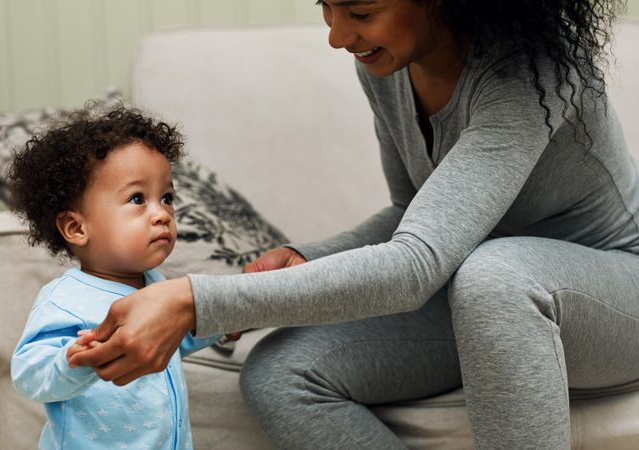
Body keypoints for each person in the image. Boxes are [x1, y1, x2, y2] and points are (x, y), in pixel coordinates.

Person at [70, 0, 639, 448]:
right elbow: (411, 214)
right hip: (480, 289)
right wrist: (310, 254)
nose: (338, 36)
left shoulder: (535, 72)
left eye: (361, 12)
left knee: (494, 275)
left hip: (609, 297)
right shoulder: (387, 66)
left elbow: (414, 267)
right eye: (327, 7)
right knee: (284, 375)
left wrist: (194, 301)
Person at [9, 107, 221, 450]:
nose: (162, 215)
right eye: (138, 199)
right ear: (77, 228)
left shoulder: (157, 284)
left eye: (166, 198)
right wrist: (72, 359)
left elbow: (171, 338)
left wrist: (219, 322)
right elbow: (29, 373)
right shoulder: (65, 300)